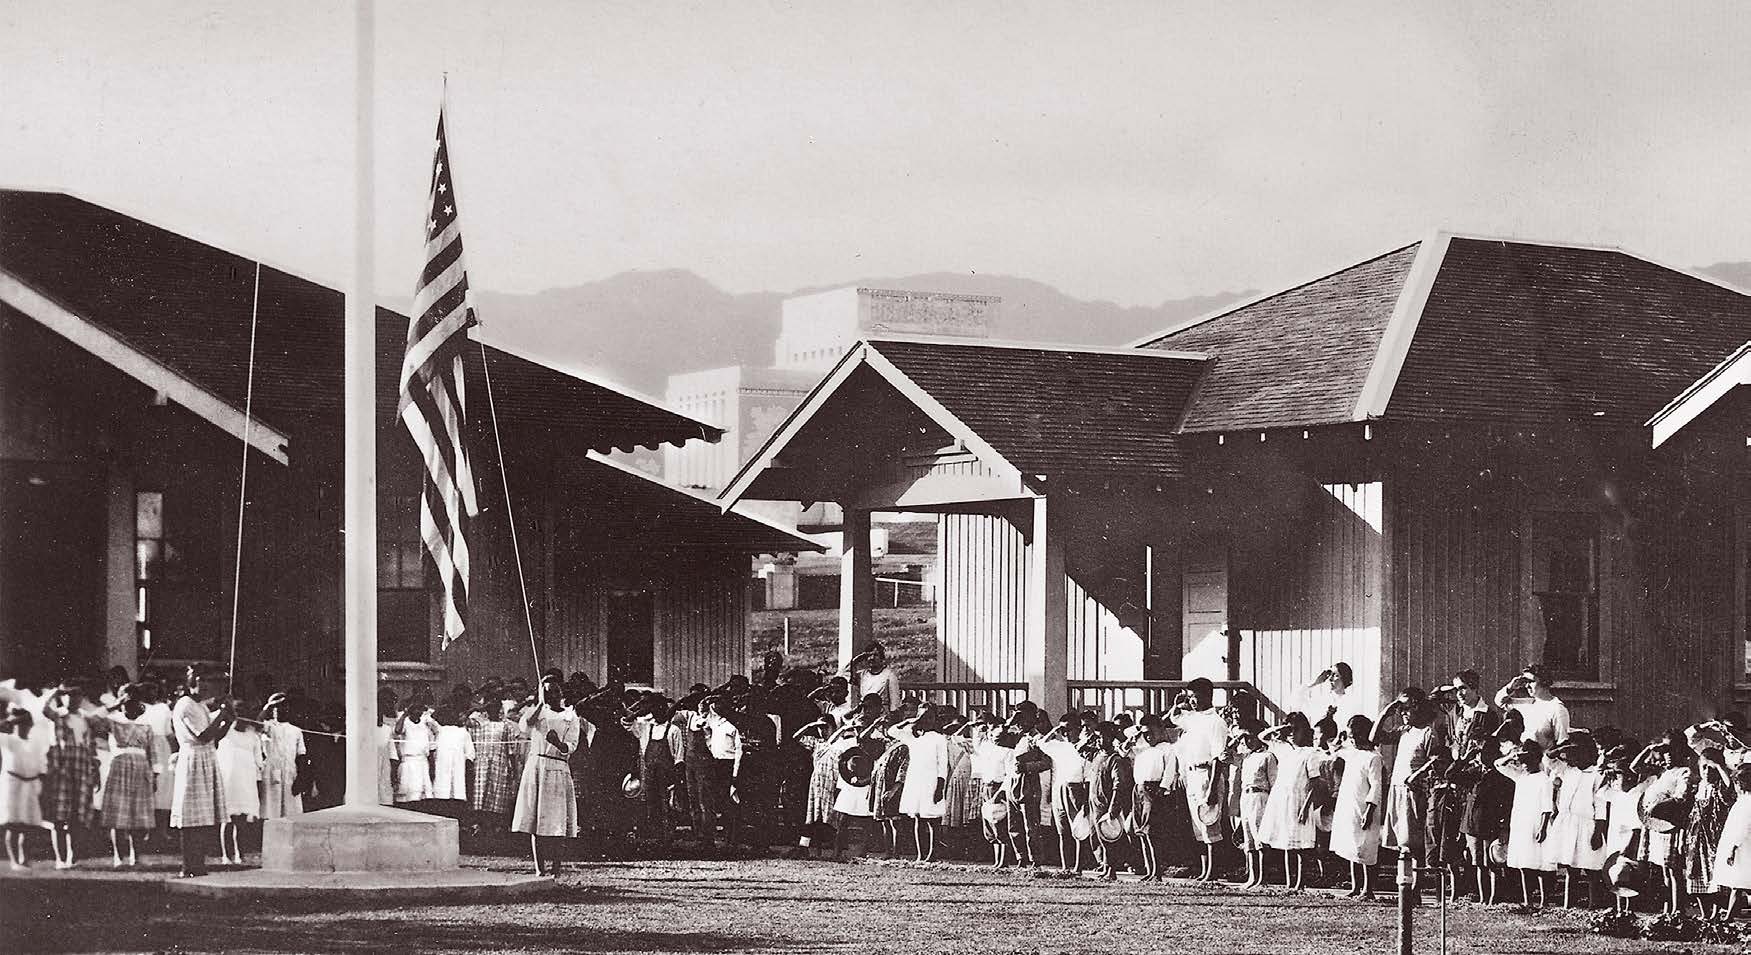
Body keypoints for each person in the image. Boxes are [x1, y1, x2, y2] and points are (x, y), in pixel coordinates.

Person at [511, 677, 580, 875]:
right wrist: (540, 703)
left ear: (561, 693)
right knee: (537, 818)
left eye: (555, 692)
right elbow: (525, 725)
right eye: (548, 692)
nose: (552, 696)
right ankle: (539, 868)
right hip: (537, 766)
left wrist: (558, 743)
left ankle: (556, 867)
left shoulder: (570, 716)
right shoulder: (540, 713)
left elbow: (572, 746)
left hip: (558, 767)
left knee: (557, 819)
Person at [171, 665, 235, 878]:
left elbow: (215, 737)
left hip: (206, 757)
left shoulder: (201, 707)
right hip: (193, 759)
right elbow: (203, 735)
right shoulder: (185, 705)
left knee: (204, 815)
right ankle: (189, 865)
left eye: (210, 682)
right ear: (192, 682)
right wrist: (221, 716)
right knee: (191, 816)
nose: (207, 686)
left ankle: (198, 864)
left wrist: (228, 719)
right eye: (202, 681)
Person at [1169, 678, 1231, 882]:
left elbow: (1218, 758)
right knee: (1198, 824)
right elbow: (1170, 719)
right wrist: (1177, 704)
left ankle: (1213, 871)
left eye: (1195, 697)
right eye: (1190, 698)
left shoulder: (1216, 722)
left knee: (1210, 821)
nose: (1192, 701)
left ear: (1207, 695)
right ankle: (1205, 870)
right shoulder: (1193, 719)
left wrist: (1212, 788)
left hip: (1207, 774)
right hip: (1191, 774)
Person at [96, 685, 159, 867]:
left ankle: (135, 856)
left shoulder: (146, 726)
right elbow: (92, 719)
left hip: (141, 770)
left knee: (138, 815)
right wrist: (114, 705)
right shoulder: (113, 721)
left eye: (133, 703)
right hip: (119, 768)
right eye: (126, 703)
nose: (129, 707)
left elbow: (152, 752)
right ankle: (118, 856)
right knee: (118, 814)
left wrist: (154, 775)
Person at [41, 682, 100, 869]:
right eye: (68, 695)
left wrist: (94, 770)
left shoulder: (85, 719)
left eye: (76, 695)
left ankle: (72, 858)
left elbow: (91, 748)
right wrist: (54, 692)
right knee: (60, 815)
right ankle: (60, 858)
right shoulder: (58, 715)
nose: (72, 699)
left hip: (82, 767)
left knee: (77, 816)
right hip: (62, 768)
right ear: (63, 697)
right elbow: (43, 709)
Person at [1258, 714, 1319, 890]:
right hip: (1282, 800)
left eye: (1296, 729)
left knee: (1299, 844)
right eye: (1289, 729)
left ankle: (1300, 883)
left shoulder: (1311, 753)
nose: (1292, 733)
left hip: (1299, 801)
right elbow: (1262, 736)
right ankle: (1289, 883)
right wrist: (1280, 730)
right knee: (1286, 843)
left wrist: (1305, 807)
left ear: (1305, 731)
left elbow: (1314, 784)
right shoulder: (1283, 748)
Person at [1497, 739, 1556, 908]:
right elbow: (1498, 765)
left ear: (1536, 759)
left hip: (1537, 823)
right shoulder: (1520, 777)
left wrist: (1543, 828)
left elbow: (1547, 807)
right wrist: (1512, 755)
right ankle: (1527, 900)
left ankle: (1544, 901)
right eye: (1522, 761)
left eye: (1528, 760)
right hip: (1521, 823)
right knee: (1524, 863)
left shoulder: (1544, 779)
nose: (1524, 764)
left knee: (1540, 864)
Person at [1330, 714, 1384, 898]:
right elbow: (1333, 748)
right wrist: (1342, 735)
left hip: (1365, 807)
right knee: (1353, 845)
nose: (1352, 740)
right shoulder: (1352, 752)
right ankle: (1355, 886)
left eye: (1355, 737)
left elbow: (1376, 785)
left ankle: (1368, 889)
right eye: (1350, 737)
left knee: (1366, 847)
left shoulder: (1374, 757)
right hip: (1350, 804)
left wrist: (1370, 809)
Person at [214, 695, 263, 864]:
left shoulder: (253, 735)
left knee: (242, 821)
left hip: (246, 781)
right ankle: (226, 856)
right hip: (228, 780)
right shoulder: (225, 730)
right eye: (237, 711)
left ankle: (239, 854)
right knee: (227, 819)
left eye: (244, 711)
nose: (241, 713)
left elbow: (259, 761)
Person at [898, 707, 950, 862]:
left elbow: (943, 764)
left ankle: (932, 854)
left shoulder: (939, 738)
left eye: (930, 717)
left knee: (932, 818)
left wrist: (940, 786)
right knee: (918, 818)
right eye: (923, 717)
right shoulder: (913, 737)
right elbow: (892, 731)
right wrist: (909, 721)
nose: (927, 721)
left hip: (931, 780)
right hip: (916, 780)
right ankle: (921, 854)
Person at [1129, 714, 1175, 882]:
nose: (1149, 736)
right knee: (1141, 831)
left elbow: (1170, 771)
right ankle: (1149, 870)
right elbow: (1124, 743)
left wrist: (1163, 789)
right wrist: (1138, 732)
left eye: (1152, 732)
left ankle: (1157, 872)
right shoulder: (1142, 748)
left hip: (1154, 789)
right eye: (1145, 733)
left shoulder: (1167, 749)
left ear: (1161, 730)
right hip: (1139, 789)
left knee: (1152, 832)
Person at [0, 704, 45, 869]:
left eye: (26, 724)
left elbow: (41, 766)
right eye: (20, 724)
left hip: (31, 784)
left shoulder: (35, 743)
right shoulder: (7, 740)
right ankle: (14, 861)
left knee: (27, 825)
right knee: (13, 824)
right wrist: (11, 720)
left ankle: (24, 859)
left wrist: (40, 783)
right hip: (12, 784)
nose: (23, 728)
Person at [1495, 666, 1570, 752]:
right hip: (1520, 755)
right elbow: (1499, 701)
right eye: (1525, 682)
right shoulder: (1527, 704)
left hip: (1542, 761)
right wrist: (1511, 687)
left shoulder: (1557, 709)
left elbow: (1561, 744)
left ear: (1544, 682)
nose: (1527, 686)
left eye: (1531, 681)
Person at [1712, 763, 1751, 921]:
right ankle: (1729, 916)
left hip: (1743, 848)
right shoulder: (1743, 802)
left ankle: (1728, 917)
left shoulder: (1747, 803)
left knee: (1739, 883)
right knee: (1742, 884)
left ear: (1739, 784)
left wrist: (1732, 848)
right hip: (1742, 847)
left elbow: (1744, 828)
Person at [259, 693, 307, 820]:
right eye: (278, 706)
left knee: (291, 814)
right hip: (271, 775)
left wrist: (301, 778)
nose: (282, 709)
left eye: (285, 706)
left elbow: (301, 755)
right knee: (271, 813)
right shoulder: (267, 727)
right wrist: (268, 706)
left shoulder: (296, 730)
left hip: (290, 776)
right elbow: (257, 723)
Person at [392, 699, 441, 805]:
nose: (418, 712)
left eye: (420, 710)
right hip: (409, 761)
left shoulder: (425, 723)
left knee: (422, 794)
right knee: (408, 792)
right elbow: (397, 731)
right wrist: (404, 715)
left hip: (422, 760)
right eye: (415, 709)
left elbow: (436, 732)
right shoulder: (405, 722)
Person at [430, 706, 475, 808]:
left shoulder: (463, 732)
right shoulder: (440, 731)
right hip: (443, 767)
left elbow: (470, 753)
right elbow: (430, 719)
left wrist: (467, 766)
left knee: (457, 792)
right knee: (442, 793)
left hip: (458, 767)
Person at [1294, 662, 1361, 728]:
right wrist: (1314, 683)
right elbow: (1296, 699)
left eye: (1335, 675)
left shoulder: (1350, 703)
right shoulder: (1321, 700)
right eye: (1330, 675)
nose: (1330, 679)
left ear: (1344, 677)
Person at [846, 642, 903, 715]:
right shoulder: (862, 674)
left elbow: (895, 702)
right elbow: (843, 675)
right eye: (869, 655)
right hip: (864, 713)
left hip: (881, 715)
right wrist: (855, 661)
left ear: (881, 657)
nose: (872, 658)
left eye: (876, 655)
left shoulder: (889, 675)